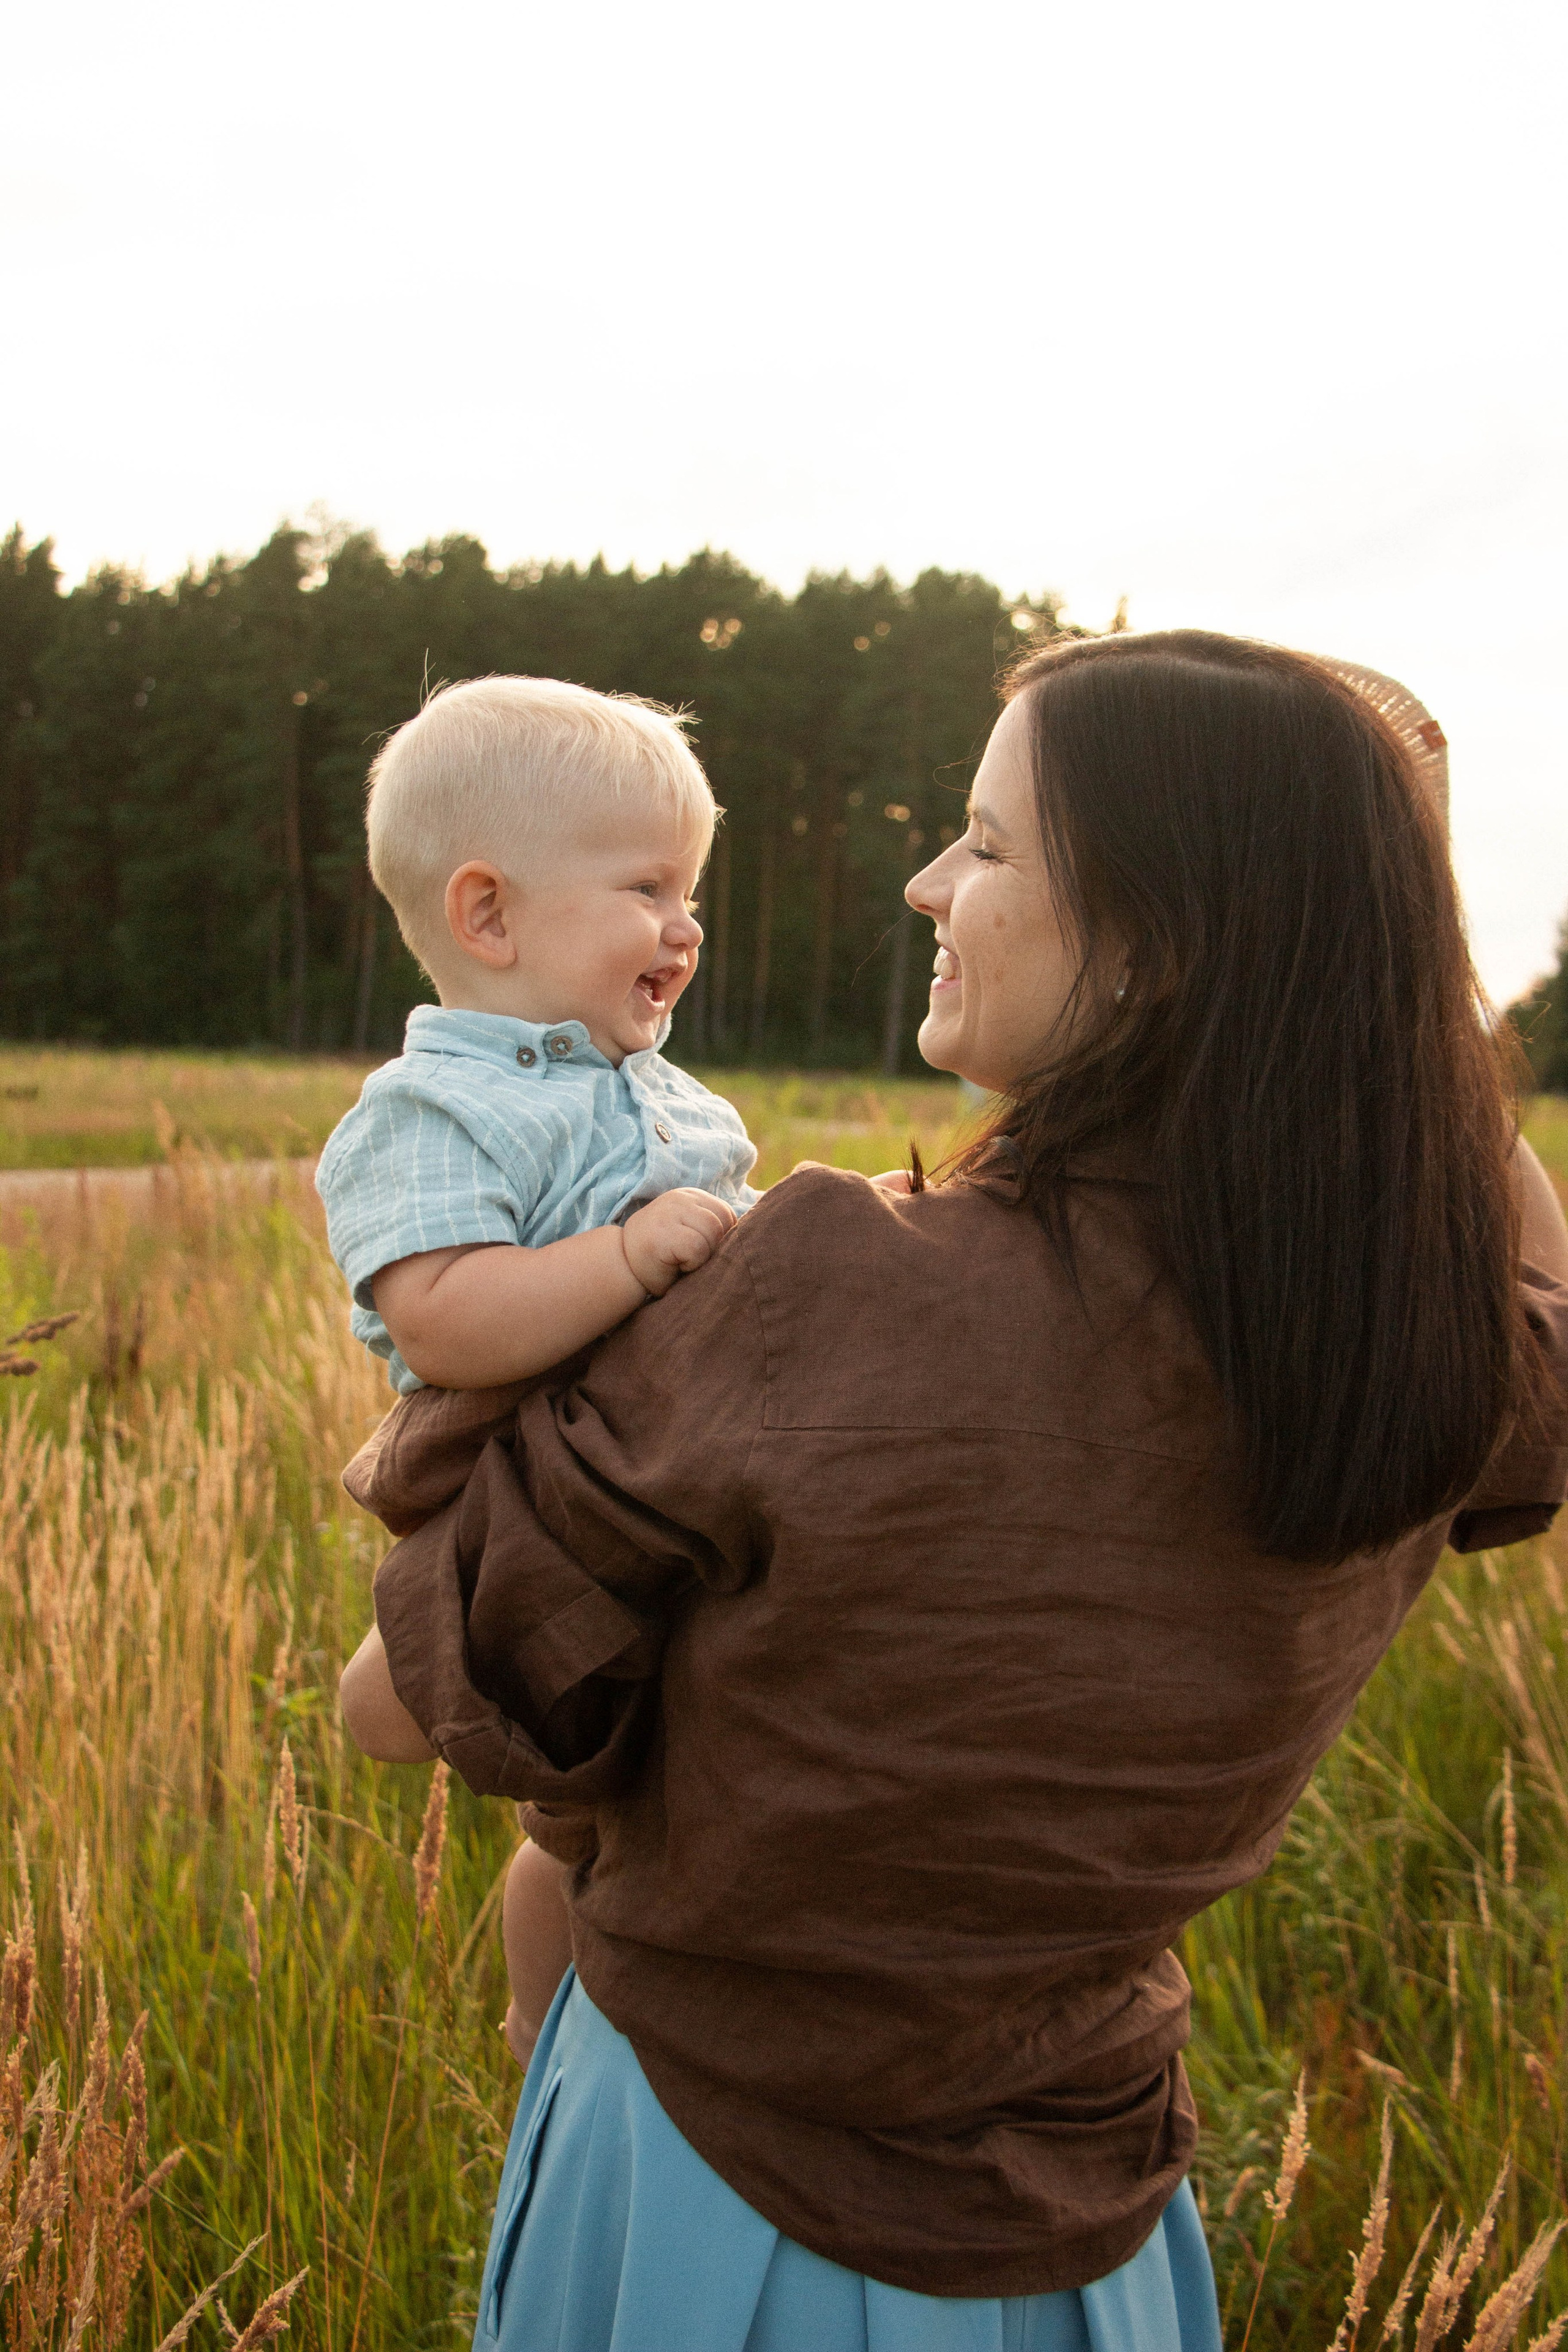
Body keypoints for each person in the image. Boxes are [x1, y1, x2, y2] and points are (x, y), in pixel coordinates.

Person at [341, 631, 1568, 2352]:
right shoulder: (1425, 1355)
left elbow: (396, 1708)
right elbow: (1535, 1292)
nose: (927, 883)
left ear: (1154, 940)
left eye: (985, 844)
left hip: (714, 2201)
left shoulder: (828, 1288)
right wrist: (1375, 942)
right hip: (1097, 2232)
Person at [319, 676, 760, 2061]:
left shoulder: (670, 1095)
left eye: (691, 893)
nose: (685, 926)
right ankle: (535, 2027)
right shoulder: (433, 1108)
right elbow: (443, 1318)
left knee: (632, 1788)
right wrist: (628, 1257)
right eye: (647, 888)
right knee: (536, 1799)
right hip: (509, 1452)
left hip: (660, 1466)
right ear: (489, 916)